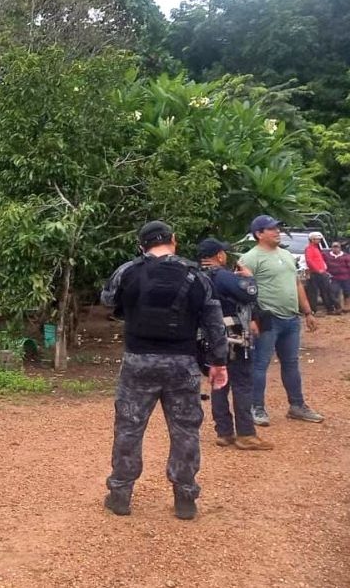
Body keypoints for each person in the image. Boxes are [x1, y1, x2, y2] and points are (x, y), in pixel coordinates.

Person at [101, 221, 228, 520]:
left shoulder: (127, 271)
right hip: (181, 365)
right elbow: (214, 322)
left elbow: (108, 300)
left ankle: (120, 495)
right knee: (185, 430)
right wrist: (218, 361)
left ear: (141, 245)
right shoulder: (197, 276)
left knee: (129, 428)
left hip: (137, 362)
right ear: (174, 240)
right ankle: (185, 499)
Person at [240, 216, 324, 426]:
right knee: (260, 364)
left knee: (291, 363)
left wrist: (307, 312)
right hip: (267, 319)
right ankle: (256, 407)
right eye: (272, 229)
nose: (278, 232)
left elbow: (296, 283)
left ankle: (297, 405)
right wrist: (252, 318)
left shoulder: (286, 254)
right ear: (259, 234)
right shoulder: (250, 258)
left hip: (290, 318)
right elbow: (244, 292)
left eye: (278, 228)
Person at [196, 238, 273, 451]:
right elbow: (250, 293)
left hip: (208, 336)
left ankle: (224, 432)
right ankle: (246, 434)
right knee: (242, 383)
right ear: (219, 255)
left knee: (219, 382)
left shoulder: (197, 276)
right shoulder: (222, 276)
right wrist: (250, 279)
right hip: (233, 335)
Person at [304, 231, 340, 315]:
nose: (319, 241)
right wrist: (317, 269)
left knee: (326, 290)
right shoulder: (309, 248)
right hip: (315, 273)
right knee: (313, 293)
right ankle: (313, 311)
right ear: (312, 239)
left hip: (321, 272)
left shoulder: (316, 248)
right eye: (317, 239)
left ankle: (330, 308)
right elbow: (309, 261)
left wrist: (323, 269)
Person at [324, 241, 350, 311]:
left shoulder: (346, 256)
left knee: (347, 292)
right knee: (333, 292)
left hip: (345, 277)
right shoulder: (327, 255)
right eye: (334, 247)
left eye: (337, 247)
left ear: (340, 248)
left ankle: (347, 306)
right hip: (334, 277)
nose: (335, 248)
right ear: (331, 248)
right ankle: (338, 307)